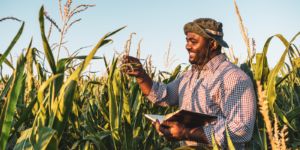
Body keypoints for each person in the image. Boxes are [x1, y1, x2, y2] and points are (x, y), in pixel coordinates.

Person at [122, 18, 256, 149]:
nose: (187, 46)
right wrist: (140, 75)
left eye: (193, 41)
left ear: (212, 44)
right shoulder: (188, 76)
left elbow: (241, 129)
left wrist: (187, 133)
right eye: (187, 41)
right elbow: (163, 96)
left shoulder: (233, 78)